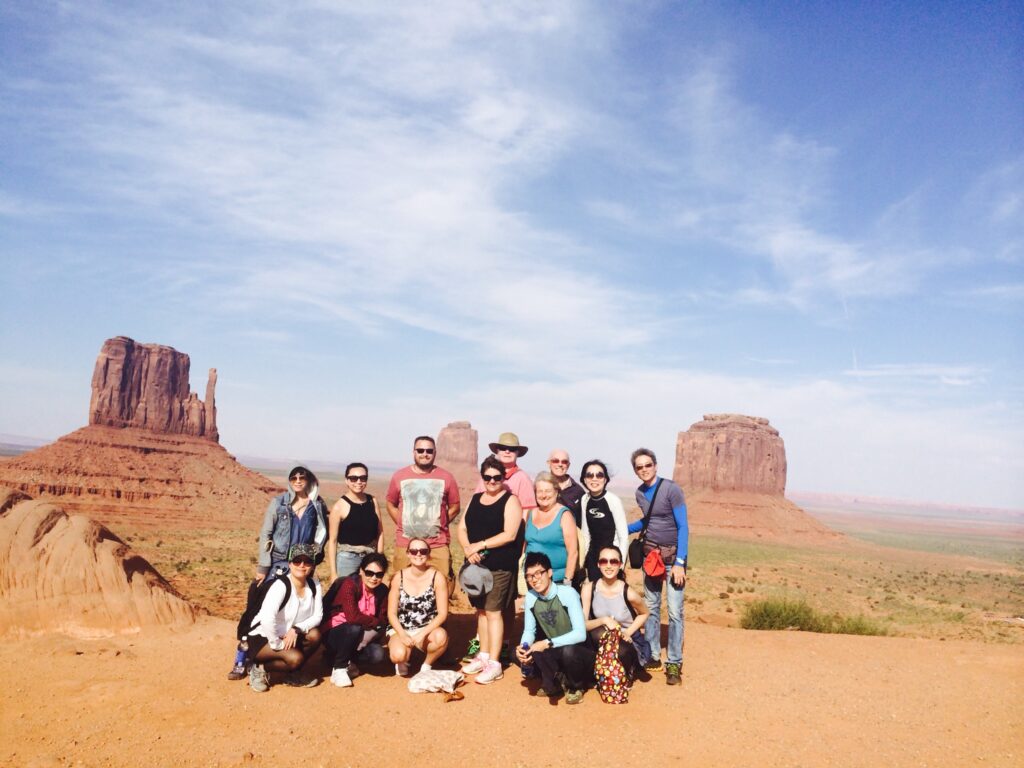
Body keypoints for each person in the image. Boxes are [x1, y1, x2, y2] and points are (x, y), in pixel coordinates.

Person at [229, 465, 328, 680]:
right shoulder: (279, 503)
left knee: (298, 609)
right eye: (294, 477)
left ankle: (288, 660)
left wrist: (314, 557)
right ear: (289, 480)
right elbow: (266, 533)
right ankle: (241, 658)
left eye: (303, 477)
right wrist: (263, 567)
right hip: (279, 564)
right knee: (255, 610)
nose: (298, 480)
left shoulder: (316, 506)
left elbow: (322, 533)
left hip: (302, 564)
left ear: (309, 480)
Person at [626, 448, 689, 686]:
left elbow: (683, 526)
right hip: (651, 556)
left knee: (674, 611)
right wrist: (626, 528)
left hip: (673, 558)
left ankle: (674, 661)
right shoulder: (640, 493)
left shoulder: (671, 489)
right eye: (639, 467)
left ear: (655, 465)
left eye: (647, 465)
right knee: (651, 606)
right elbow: (649, 520)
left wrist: (680, 562)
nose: (644, 469)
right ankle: (653, 654)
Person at [459, 457, 523, 684]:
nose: (492, 481)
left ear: (503, 477)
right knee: (482, 612)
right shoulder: (476, 499)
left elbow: (510, 534)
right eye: (487, 477)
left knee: (494, 611)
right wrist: (468, 550)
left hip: (500, 566)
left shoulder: (510, 500)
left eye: (497, 477)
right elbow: (462, 527)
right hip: (476, 568)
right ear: (482, 477)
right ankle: (483, 655)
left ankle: (495, 663)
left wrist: (480, 544)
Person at [516, 552, 593, 704]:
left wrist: (547, 643)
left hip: (580, 652)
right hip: (555, 649)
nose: (534, 579)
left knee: (568, 652)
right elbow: (529, 631)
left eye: (539, 573)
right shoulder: (531, 597)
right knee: (518, 653)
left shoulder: (568, 593)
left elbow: (580, 634)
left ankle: (576, 686)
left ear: (550, 573)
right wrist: (524, 647)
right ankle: (557, 680)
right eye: (530, 576)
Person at [246, 544, 323, 692]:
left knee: (315, 635)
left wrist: (296, 629)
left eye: (307, 562)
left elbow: (318, 616)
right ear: (289, 563)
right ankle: (258, 667)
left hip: (288, 633)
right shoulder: (281, 586)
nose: (302, 565)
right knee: (295, 658)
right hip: (265, 636)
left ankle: (292, 674)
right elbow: (268, 618)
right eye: (297, 561)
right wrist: (277, 644)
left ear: (312, 566)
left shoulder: (315, 585)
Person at [386, 436, 461, 588]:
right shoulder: (399, 476)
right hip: (405, 543)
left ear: (435, 453)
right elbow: (390, 503)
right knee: (400, 584)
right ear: (414, 452)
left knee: (443, 585)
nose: (424, 454)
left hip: (437, 544)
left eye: (429, 451)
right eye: (420, 450)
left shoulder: (447, 477)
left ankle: (440, 612)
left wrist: (440, 522)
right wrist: (403, 522)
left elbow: (455, 506)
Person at [580, 545, 650, 683]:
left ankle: (627, 670)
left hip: (626, 641)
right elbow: (582, 624)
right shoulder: (589, 589)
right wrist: (604, 620)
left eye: (613, 561)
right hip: (602, 637)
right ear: (598, 565)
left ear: (620, 565)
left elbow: (645, 613)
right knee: (592, 635)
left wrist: (628, 632)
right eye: (603, 561)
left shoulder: (628, 593)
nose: (608, 566)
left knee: (621, 649)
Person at [322, 552, 389, 688]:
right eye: (369, 573)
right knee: (353, 628)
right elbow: (352, 617)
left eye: (379, 574)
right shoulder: (350, 584)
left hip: (361, 632)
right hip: (336, 630)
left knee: (377, 654)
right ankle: (339, 668)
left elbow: (383, 619)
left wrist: (377, 624)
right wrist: (374, 622)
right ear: (361, 571)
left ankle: (340, 658)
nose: (374, 578)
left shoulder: (382, 590)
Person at [387, 538, 450, 677]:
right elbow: (391, 613)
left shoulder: (437, 577)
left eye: (423, 551)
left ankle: (426, 665)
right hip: (402, 628)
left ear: (428, 554)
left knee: (441, 637)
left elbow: (442, 614)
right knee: (398, 656)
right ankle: (404, 659)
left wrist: (423, 633)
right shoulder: (399, 577)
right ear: (408, 554)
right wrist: (402, 635)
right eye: (414, 551)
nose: (418, 554)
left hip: (426, 629)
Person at [327, 462, 384, 582]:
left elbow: (380, 532)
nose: (358, 482)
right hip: (347, 559)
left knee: (368, 595)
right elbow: (332, 541)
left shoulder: (372, 501)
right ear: (346, 480)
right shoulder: (339, 507)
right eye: (353, 478)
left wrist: (379, 559)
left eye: (363, 478)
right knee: (347, 595)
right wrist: (333, 573)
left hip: (370, 557)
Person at [578, 460, 629, 583]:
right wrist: (582, 562)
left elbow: (624, 537)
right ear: (584, 479)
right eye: (590, 475)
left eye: (599, 475)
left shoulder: (613, 500)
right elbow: (586, 534)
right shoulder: (585, 500)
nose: (594, 479)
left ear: (605, 479)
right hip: (593, 560)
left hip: (610, 561)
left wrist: (619, 564)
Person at [524, 472, 577, 585]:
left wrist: (567, 581)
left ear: (556, 492)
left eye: (548, 491)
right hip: (531, 578)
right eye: (540, 491)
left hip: (556, 580)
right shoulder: (531, 513)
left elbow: (573, 552)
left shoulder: (564, 515)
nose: (543, 495)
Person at [546, 449, 585, 526]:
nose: (560, 464)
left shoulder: (577, 491)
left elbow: (583, 520)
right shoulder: (541, 487)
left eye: (564, 462)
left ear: (568, 465)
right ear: (548, 463)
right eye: (555, 461)